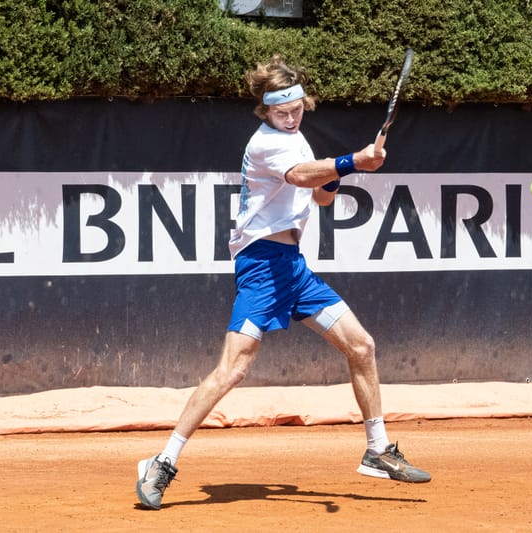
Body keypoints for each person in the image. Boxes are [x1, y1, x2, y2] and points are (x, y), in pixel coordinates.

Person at [136, 54, 430, 510]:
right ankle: (162, 460)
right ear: (266, 112)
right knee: (233, 369)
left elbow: (319, 196)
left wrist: (341, 172)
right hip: (261, 266)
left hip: (293, 267)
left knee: (361, 346)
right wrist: (355, 161)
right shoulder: (267, 144)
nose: (289, 118)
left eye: (295, 110)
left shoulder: (297, 136)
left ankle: (378, 449)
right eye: (280, 112)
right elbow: (297, 175)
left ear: (303, 103)